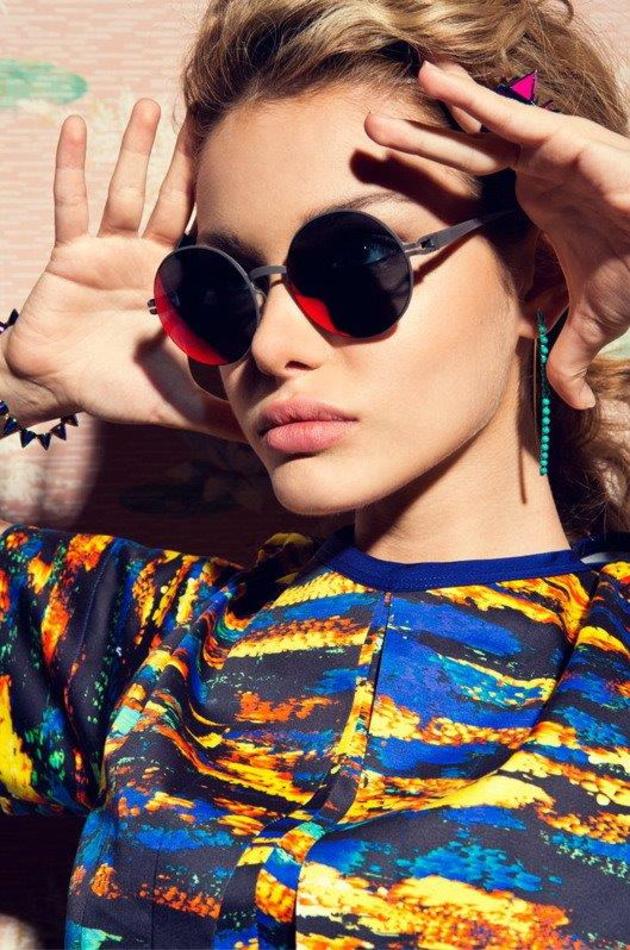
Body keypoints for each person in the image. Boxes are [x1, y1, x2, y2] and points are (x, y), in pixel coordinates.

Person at [1, 0, 629, 946]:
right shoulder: (146, 643)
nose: (271, 343)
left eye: (353, 265)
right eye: (225, 291)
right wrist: (19, 385)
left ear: (539, 272)